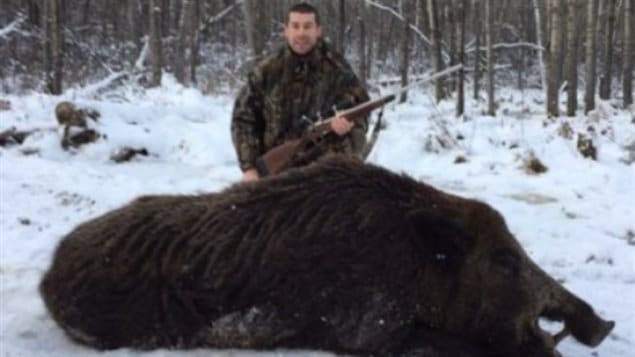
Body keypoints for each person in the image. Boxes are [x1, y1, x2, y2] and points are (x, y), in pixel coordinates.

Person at [231, 2, 370, 182]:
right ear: (286, 31)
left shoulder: (338, 69)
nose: (301, 33)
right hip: (273, 175)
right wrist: (249, 167)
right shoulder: (267, 70)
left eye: (307, 26)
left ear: (318, 30)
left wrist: (346, 132)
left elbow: (361, 113)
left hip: (322, 177)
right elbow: (243, 118)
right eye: (295, 26)